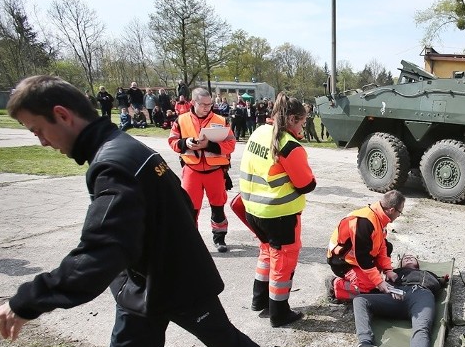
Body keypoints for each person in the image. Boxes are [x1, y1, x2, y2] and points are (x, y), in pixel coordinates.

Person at [0, 75, 284, 347]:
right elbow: (176, 204)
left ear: (61, 115)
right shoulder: (123, 149)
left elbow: (98, 253)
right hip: (141, 284)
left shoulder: (115, 161)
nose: (41, 142)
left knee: (222, 338)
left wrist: (27, 300)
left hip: (179, 281)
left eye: (38, 130)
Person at [238, 92, 316, 327]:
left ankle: (259, 300)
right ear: (293, 119)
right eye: (302, 121)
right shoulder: (290, 146)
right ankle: (279, 313)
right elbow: (307, 184)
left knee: (266, 254)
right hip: (279, 214)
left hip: (253, 210)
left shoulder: (260, 131)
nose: (303, 125)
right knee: (283, 262)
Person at [346, 254, 448, 347]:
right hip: (398, 295)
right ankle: (365, 344)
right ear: (400, 264)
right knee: (360, 300)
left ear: (418, 263)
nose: (408, 258)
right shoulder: (394, 273)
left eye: (412, 257)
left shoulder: (430, 274)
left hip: (422, 297)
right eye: (405, 258)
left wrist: (445, 279)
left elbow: (441, 284)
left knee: (422, 327)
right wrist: (390, 288)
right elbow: (377, 283)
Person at [168, 87, 235, 252]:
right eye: (203, 104)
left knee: (218, 207)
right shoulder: (181, 120)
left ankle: (219, 239)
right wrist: (185, 143)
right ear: (193, 103)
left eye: (209, 104)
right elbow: (172, 141)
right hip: (192, 170)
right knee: (191, 209)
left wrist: (210, 145)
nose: (207, 107)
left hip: (215, 171)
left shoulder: (221, 120)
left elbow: (231, 144)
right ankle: (191, 241)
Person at [326, 190, 405, 302]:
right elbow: (362, 258)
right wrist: (379, 282)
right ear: (392, 210)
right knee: (369, 286)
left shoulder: (379, 217)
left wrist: (388, 270)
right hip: (341, 261)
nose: (399, 216)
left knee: (388, 246)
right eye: (399, 212)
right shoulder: (364, 222)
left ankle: (367, 277)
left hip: (357, 257)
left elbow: (382, 246)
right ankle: (335, 285)